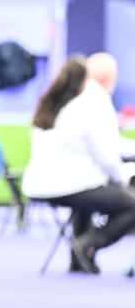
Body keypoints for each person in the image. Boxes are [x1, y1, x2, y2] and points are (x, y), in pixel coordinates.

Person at [23, 53, 135, 274]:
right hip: (71, 185)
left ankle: (78, 259)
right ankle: (89, 244)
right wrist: (121, 181)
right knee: (130, 203)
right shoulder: (91, 104)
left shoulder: (54, 103)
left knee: (92, 194)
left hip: (39, 184)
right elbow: (107, 157)